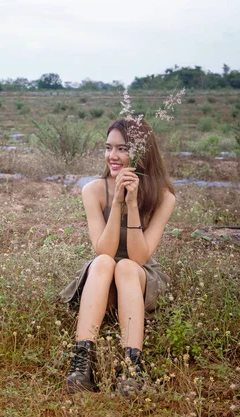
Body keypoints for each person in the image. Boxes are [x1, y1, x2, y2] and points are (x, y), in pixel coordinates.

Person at [59, 117, 176, 394]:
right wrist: (116, 201)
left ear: (140, 153)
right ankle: (81, 365)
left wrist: (132, 204)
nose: (112, 156)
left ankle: (131, 368)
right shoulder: (93, 190)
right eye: (108, 147)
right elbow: (104, 250)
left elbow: (137, 257)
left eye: (122, 149)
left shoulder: (164, 197)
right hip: (102, 279)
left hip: (138, 277)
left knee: (124, 267)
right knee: (104, 261)